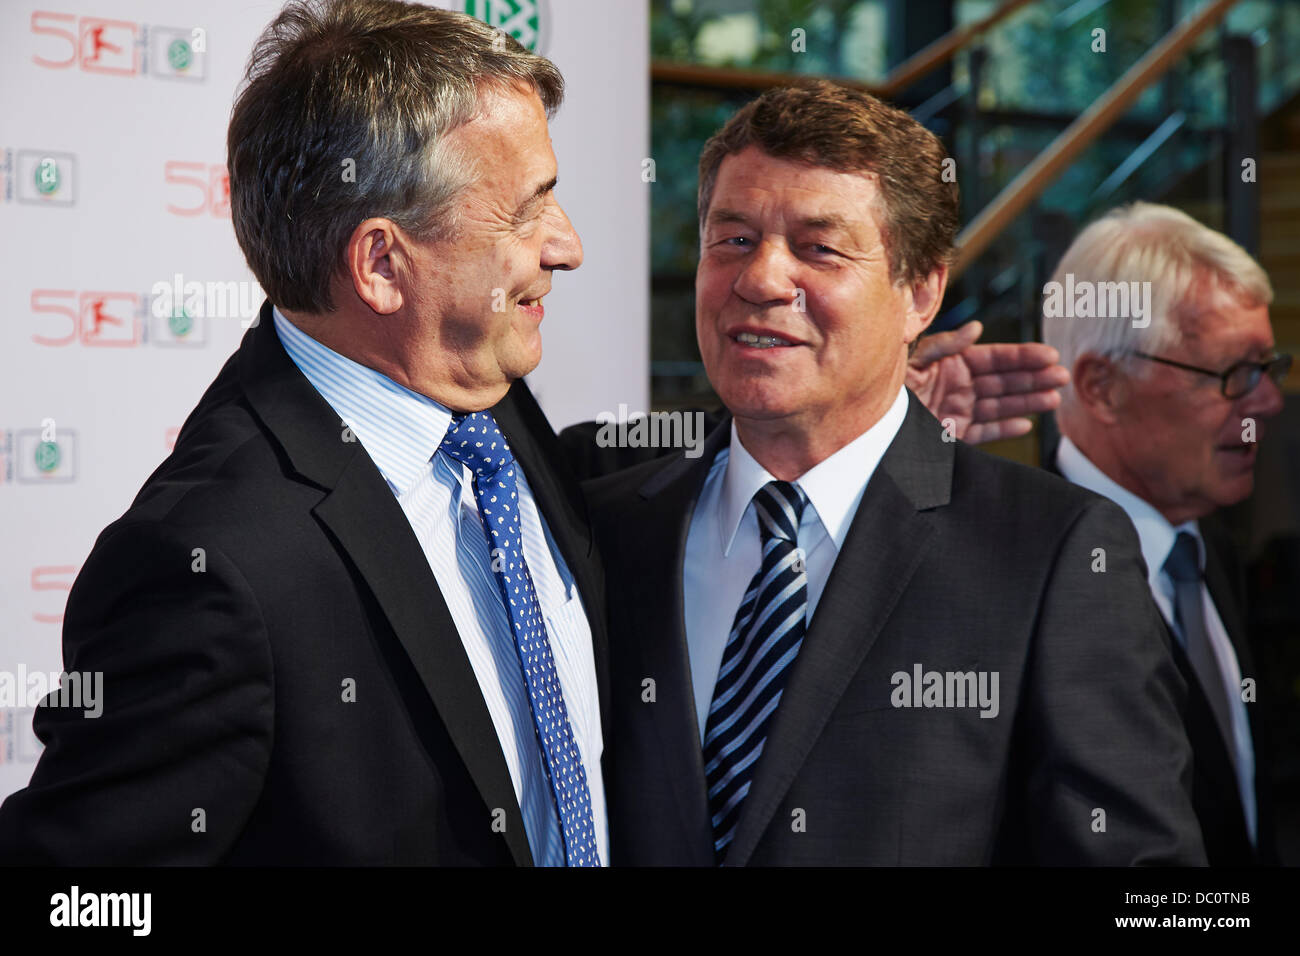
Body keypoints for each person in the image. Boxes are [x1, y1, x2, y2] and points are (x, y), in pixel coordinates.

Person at [0, 0, 1068, 866]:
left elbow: (617, 467)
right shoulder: (214, 560)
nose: (568, 245)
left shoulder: (486, 409)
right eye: (527, 209)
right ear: (382, 264)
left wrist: (853, 401)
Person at [581, 82, 1206, 865]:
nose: (762, 279)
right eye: (733, 239)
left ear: (920, 293)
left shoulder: (1053, 556)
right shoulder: (603, 530)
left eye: (819, 247)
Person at [1041, 202, 1290, 865]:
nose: (1268, 401)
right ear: (1103, 388)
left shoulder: (1211, 547)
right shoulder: (1004, 585)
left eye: (1270, 365)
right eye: (1235, 374)